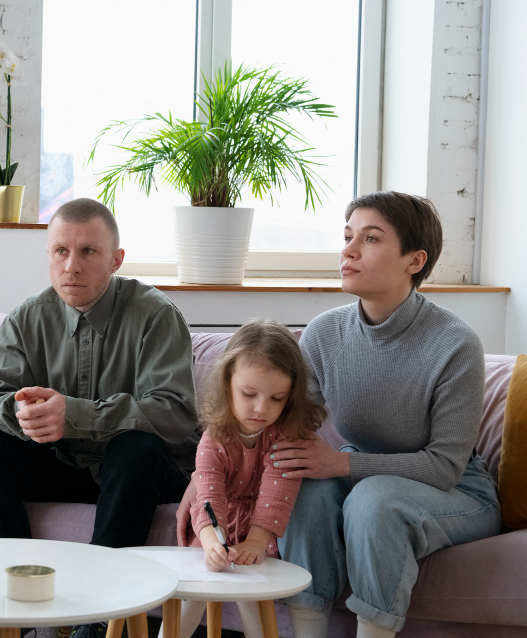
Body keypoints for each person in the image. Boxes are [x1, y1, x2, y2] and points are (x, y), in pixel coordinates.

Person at [0, 198, 200, 638]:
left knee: (134, 447)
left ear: (115, 259)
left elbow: (176, 415)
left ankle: (100, 619)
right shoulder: (27, 318)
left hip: (139, 473)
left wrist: (76, 415)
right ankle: (15, 610)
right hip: (64, 466)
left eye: (88, 251)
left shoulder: (155, 315)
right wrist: (24, 413)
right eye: (60, 251)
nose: (72, 266)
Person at [269, 192, 502, 638]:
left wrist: (341, 463)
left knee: (375, 500)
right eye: (347, 236)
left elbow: (444, 466)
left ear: (414, 261)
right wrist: (205, 478)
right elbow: (284, 431)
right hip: (366, 476)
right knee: (308, 490)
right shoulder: (323, 333)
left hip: (456, 490)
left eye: (370, 238)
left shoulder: (456, 344)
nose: (349, 250)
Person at [163, 320, 325, 638]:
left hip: (259, 526)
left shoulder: (287, 437)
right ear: (228, 385)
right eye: (249, 394)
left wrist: (256, 540)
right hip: (214, 523)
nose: (261, 408)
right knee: (196, 593)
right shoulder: (214, 438)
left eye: (277, 398)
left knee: (251, 596)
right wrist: (212, 542)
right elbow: (208, 494)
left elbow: (277, 494)